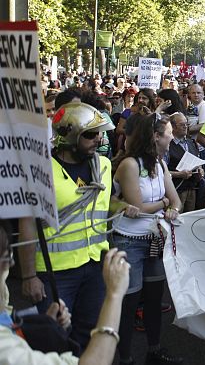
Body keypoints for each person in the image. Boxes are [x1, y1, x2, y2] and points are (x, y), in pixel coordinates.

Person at [17, 103, 117, 351]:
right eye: (91, 134)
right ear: (70, 136)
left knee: (91, 333)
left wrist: (126, 206)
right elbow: (28, 223)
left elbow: (104, 205)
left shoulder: (104, 166)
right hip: (55, 272)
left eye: (101, 133)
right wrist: (29, 275)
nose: (99, 139)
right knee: (54, 338)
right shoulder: (40, 170)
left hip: (95, 267)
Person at [1, 222, 131, 365]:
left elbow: (11, 331)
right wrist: (114, 295)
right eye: (7, 257)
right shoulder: (4, 346)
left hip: (90, 261)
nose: (12, 263)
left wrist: (46, 326)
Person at [111, 113, 183, 365]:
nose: (173, 136)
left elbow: (177, 200)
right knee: (129, 303)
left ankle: (154, 350)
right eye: (169, 133)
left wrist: (171, 206)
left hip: (154, 239)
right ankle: (125, 357)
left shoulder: (160, 164)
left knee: (154, 300)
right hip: (129, 241)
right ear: (154, 136)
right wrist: (165, 204)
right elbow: (138, 205)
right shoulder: (129, 164)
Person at [167, 113, 204, 212]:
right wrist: (178, 174)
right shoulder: (167, 145)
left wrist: (200, 169)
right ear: (173, 127)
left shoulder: (191, 142)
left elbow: (197, 161)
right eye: (182, 124)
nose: (185, 127)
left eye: (186, 124)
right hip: (176, 190)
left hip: (192, 188)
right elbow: (161, 171)